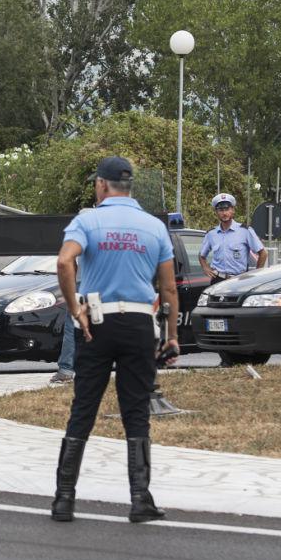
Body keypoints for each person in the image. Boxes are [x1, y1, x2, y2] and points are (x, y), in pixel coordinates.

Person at [51, 156, 179, 523]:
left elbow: (64, 262)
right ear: (129, 186)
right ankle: (140, 499)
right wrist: (172, 337)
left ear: (102, 185)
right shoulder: (154, 227)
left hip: (97, 322)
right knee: (136, 410)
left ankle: (64, 499)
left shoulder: (87, 221)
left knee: (84, 408)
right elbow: (168, 286)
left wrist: (76, 309)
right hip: (139, 323)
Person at [197, 192, 265, 281]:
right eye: (221, 210)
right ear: (216, 212)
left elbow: (263, 253)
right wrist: (205, 268)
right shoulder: (211, 234)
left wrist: (256, 275)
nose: (224, 213)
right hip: (218, 279)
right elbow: (201, 255)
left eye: (227, 209)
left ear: (233, 210)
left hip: (239, 280)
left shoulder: (245, 231)